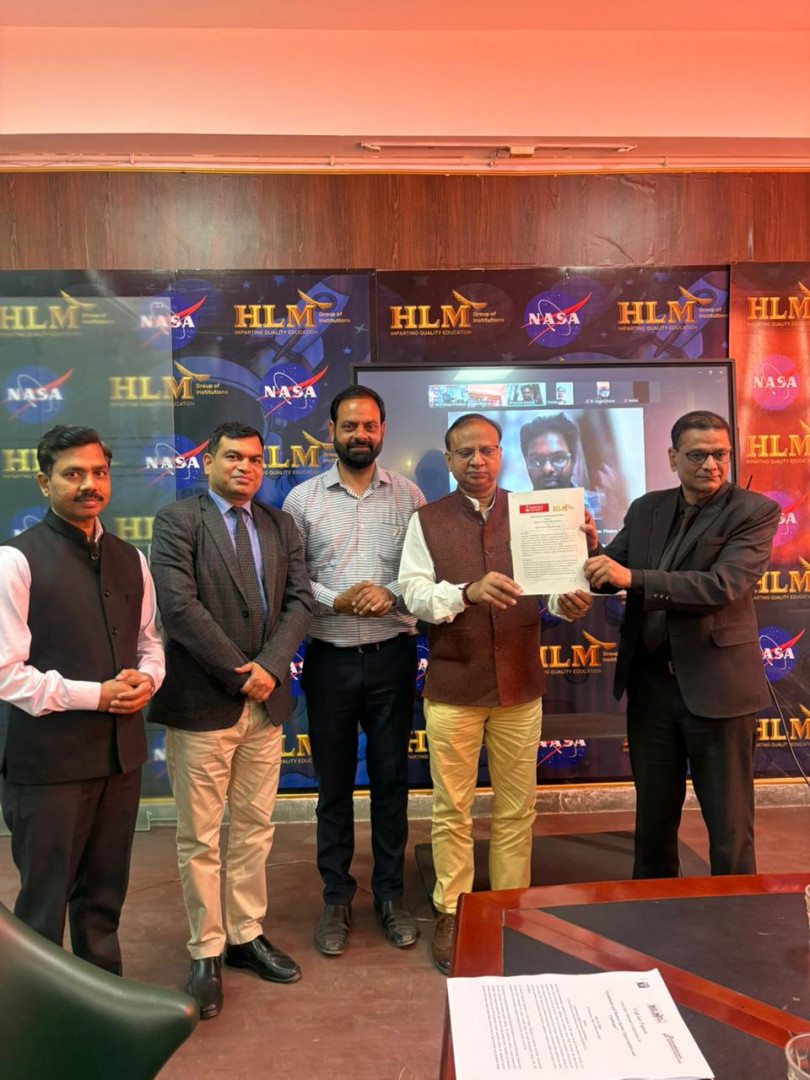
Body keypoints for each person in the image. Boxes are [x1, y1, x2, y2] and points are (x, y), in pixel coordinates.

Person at [399, 413, 592, 974]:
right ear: (449, 458)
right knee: (451, 809)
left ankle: (512, 907)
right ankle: (453, 911)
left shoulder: (536, 513)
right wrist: (466, 591)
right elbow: (412, 594)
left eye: (486, 450)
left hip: (520, 686)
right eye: (465, 452)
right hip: (453, 687)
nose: (477, 461)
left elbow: (552, 593)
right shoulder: (427, 520)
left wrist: (567, 602)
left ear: (502, 454)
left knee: (516, 809)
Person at [149, 421, 312, 1020]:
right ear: (209, 462)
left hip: (265, 705)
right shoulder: (178, 521)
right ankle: (206, 949)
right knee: (200, 837)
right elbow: (179, 607)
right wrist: (241, 672)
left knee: (253, 828)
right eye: (233, 457)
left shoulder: (280, 524)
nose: (245, 468)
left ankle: (246, 934)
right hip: (204, 704)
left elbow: (301, 600)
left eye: (255, 460)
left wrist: (269, 667)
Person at [583, 410, 780, 879]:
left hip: (719, 689)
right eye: (697, 455)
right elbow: (609, 572)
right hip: (650, 687)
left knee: (730, 827)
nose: (711, 465)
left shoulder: (754, 511)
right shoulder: (646, 508)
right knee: (652, 821)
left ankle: (736, 914)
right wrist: (589, 551)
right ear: (673, 458)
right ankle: (652, 908)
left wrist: (632, 578)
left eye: (720, 454)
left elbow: (721, 586)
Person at [0, 424, 164, 974]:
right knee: (42, 909)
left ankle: (103, 1001)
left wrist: (148, 679)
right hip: (49, 767)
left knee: (103, 904)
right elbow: (6, 674)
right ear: (44, 482)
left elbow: (150, 643)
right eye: (73, 474)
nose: (89, 484)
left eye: (99, 472)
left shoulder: (131, 558)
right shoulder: (15, 561)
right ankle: (37, 1014)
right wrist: (98, 696)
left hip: (120, 761)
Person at [283, 386, 425, 958]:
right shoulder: (301, 500)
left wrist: (388, 591)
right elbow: (293, 577)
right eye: (349, 426)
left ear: (382, 430)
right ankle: (337, 898)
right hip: (329, 661)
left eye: (369, 425)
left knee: (392, 783)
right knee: (333, 786)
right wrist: (334, 599)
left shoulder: (409, 496)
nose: (359, 435)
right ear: (332, 430)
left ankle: (390, 896)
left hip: (393, 658)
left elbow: (421, 572)